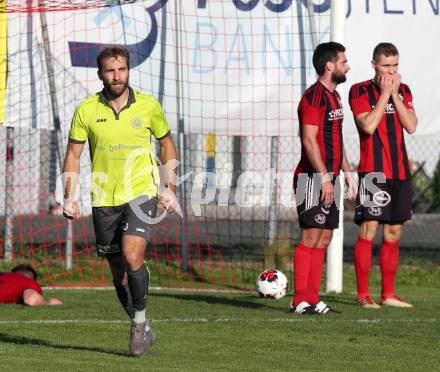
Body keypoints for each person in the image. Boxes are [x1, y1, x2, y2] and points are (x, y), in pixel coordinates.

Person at [62, 47, 178, 356]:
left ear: (128, 71)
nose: (117, 76)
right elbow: (73, 155)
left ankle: (139, 323)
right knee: (118, 272)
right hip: (103, 199)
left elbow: (167, 145)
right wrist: (68, 197)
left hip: (141, 192)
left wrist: (169, 187)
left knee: (131, 254)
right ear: (100, 74)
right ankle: (143, 323)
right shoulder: (86, 110)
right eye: (111, 71)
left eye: (122, 69)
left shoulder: (148, 106)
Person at [349, 42, 417, 309]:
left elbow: (411, 125)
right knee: (369, 229)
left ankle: (388, 294)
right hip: (373, 172)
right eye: (386, 65)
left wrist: (395, 95)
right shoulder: (360, 90)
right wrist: (384, 95)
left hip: (400, 171)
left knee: (394, 232)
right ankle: (363, 295)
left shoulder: (405, 90)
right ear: (374, 65)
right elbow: (367, 125)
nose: (391, 70)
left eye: (395, 65)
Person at [290, 42, 357, 315]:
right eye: (343, 61)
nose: (347, 65)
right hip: (312, 178)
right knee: (310, 236)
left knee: (326, 237)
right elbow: (308, 140)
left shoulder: (335, 98)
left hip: (331, 177)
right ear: (329, 66)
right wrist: (324, 178)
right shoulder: (312, 97)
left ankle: (313, 299)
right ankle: (299, 300)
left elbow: (336, 140)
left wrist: (348, 172)